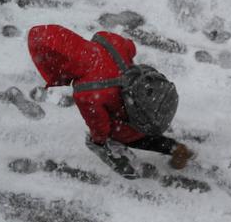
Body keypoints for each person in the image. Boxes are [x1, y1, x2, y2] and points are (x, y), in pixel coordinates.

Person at [27, 24, 193, 179]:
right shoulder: (104, 38)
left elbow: (100, 126)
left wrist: (98, 141)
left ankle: (173, 148)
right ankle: (169, 143)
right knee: (130, 121)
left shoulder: (85, 92)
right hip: (150, 92)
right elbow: (131, 47)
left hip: (134, 114)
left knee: (121, 134)